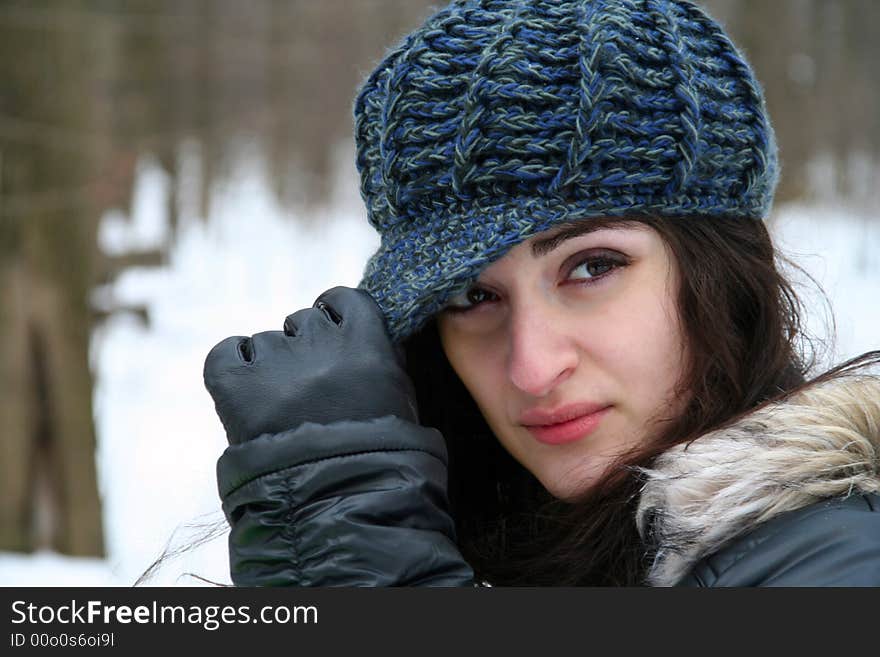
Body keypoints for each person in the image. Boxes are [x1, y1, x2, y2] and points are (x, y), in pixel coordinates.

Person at [203, 0, 880, 586]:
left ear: (720, 273)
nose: (531, 366)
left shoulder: (836, 562)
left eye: (591, 267)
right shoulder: (517, 544)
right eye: (471, 296)